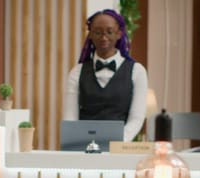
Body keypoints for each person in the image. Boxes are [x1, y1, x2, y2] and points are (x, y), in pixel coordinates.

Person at [63, 9, 148, 142]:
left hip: (120, 148)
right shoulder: (77, 72)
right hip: (84, 147)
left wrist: (119, 141)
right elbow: (70, 117)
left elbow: (137, 117)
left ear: (119, 34)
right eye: (97, 32)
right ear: (90, 34)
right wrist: (77, 143)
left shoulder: (137, 71)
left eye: (109, 31)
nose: (104, 37)